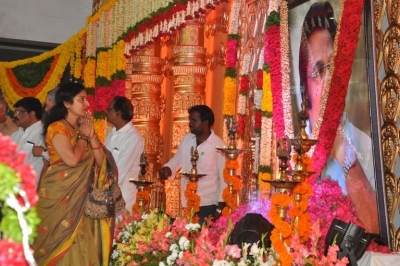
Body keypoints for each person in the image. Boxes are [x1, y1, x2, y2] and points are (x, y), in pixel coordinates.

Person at [298, 1, 378, 233]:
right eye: (319, 70)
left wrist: (344, 154)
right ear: (304, 84)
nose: (329, 79)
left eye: (333, 66)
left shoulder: (362, 143)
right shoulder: (293, 150)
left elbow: (375, 230)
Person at [33, 82, 113, 265]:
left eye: (86, 99)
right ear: (67, 104)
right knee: (56, 242)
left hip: (79, 199)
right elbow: (71, 160)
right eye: (81, 100)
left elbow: (101, 163)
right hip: (58, 196)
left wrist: (91, 136)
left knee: (80, 242)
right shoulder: (56, 128)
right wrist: (84, 137)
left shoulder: (81, 129)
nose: (87, 105)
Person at [159, 105, 226, 225]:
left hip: (207, 204)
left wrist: (219, 209)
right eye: (190, 120)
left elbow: (224, 179)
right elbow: (177, 160)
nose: (190, 123)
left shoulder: (218, 145)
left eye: (194, 120)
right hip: (188, 202)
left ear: (205, 123)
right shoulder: (187, 139)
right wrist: (168, 169)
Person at [105, 96, 144, 214]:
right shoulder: (112, 133)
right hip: (106, 194)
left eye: (109, 109)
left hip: (122, 198)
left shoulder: (133, 138)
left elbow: (120, 171)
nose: (106, 111)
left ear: (118, 113)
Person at [11, 97, 45, 183]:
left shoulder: (44, 134)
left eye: (19, 112)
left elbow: (50, 161)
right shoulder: (15, 135)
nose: (15, 115)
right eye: (15, 112)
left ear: (31, 114)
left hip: (32, 189)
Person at [32, 87, 59, 180]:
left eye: (48, 105)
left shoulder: (61, 127)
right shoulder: (53, 125)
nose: (46, 110)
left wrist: (43, 152)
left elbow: (66, 159)